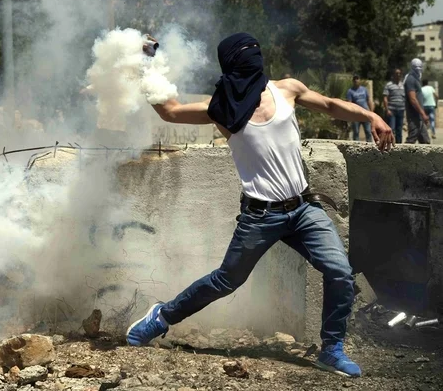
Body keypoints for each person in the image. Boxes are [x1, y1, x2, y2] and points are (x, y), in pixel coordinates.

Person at [126, 33, 394, 378]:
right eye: (245, 55)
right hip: (260, 216)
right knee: (226, 281)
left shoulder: (286, 90)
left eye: (256, 53)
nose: (254, 61)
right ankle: (161, 317)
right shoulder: (223, 110)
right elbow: (171, 111)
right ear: (231, 64)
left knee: (340, 272)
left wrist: (370, 116)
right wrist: (146, 63)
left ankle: (331, 350)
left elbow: (329, 105)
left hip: (303, 208)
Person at [404, 58, 430, 144]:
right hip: (414, 117)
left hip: (419, 117)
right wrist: (423, 114)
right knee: (411, 140)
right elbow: (413, 99)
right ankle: (402, 153)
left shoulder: (416, 79)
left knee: (425, 142)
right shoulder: (410, 79)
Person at [346, 75, 373, 142]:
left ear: (359, 80)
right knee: (356, 132)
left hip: (365, 113)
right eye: (355, 79)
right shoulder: (350, 91)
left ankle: (370, 145)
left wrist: (371, 111)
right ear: (353, 81)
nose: (356, 80)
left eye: (357, 79)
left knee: (368, 131)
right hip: (356, 114)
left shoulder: (364, 89)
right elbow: (349, 103)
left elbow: (368, 100)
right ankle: (356, 146)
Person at [383, 68, 405, 143]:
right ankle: (390, 144)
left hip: (401, 109)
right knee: (391, 129)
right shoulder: (389, 85)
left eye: (399, 73)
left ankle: (399, 145)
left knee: (399, 130)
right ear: (393, 75)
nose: (398, 75)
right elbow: (385, 98)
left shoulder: (403, 85)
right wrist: (387, 110)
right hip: (392, 110)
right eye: (396, 73)